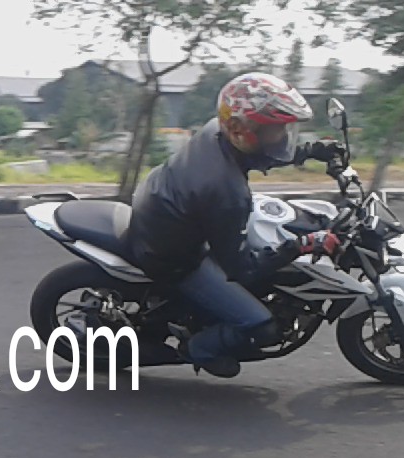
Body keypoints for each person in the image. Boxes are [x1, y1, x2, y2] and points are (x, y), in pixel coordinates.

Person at [125, 72, 343, 378]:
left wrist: (312, 151)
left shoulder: (219, 131)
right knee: (261, 325)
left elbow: (261, 153)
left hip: (167, 212)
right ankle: (199, 348)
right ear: (241, 130)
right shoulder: (227, 192)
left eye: (284, 128)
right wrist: (301, 245)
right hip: (174, 258)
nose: (282, 136)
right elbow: (242, 270)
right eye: (275, 130)